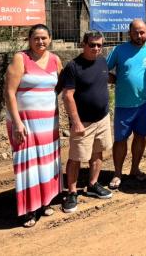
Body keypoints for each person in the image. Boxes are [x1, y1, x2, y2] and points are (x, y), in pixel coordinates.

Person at [4, 24, 63, 228]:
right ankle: (30, 209)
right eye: (36, 38)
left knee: (47, 162)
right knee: (28, 164)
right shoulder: (21, 59)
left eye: (44, 38)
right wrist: (17, 122)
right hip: (25, 123)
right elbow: (9, 92)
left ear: (50, 39)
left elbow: (62, 85)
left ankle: (45, 201)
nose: (40, 42)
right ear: (29, 39)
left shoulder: (55, 60)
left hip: (49, 123)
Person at [59, 31, 113, 213]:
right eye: (92, 45)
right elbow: (67, 96)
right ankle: (72, 192)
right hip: (83, 122)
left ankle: (93, 184)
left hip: (102, 119)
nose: (96, 48)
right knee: (76, 158)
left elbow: (105, 78)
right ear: (83, 44)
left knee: (97, 152)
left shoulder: (102, 62)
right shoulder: (73, 67)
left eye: (99, 45)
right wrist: (76, 122)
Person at [106, 19, 146, 190]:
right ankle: (117, 173)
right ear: (129, 33)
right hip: (123, 104)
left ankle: (135, 169)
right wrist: (115, 80)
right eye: (136, 32)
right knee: (120, 139)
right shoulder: (119, 50)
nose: (139, 35)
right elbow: (103, 69)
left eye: (142, 32)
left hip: (145, 103)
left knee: (140, 136)